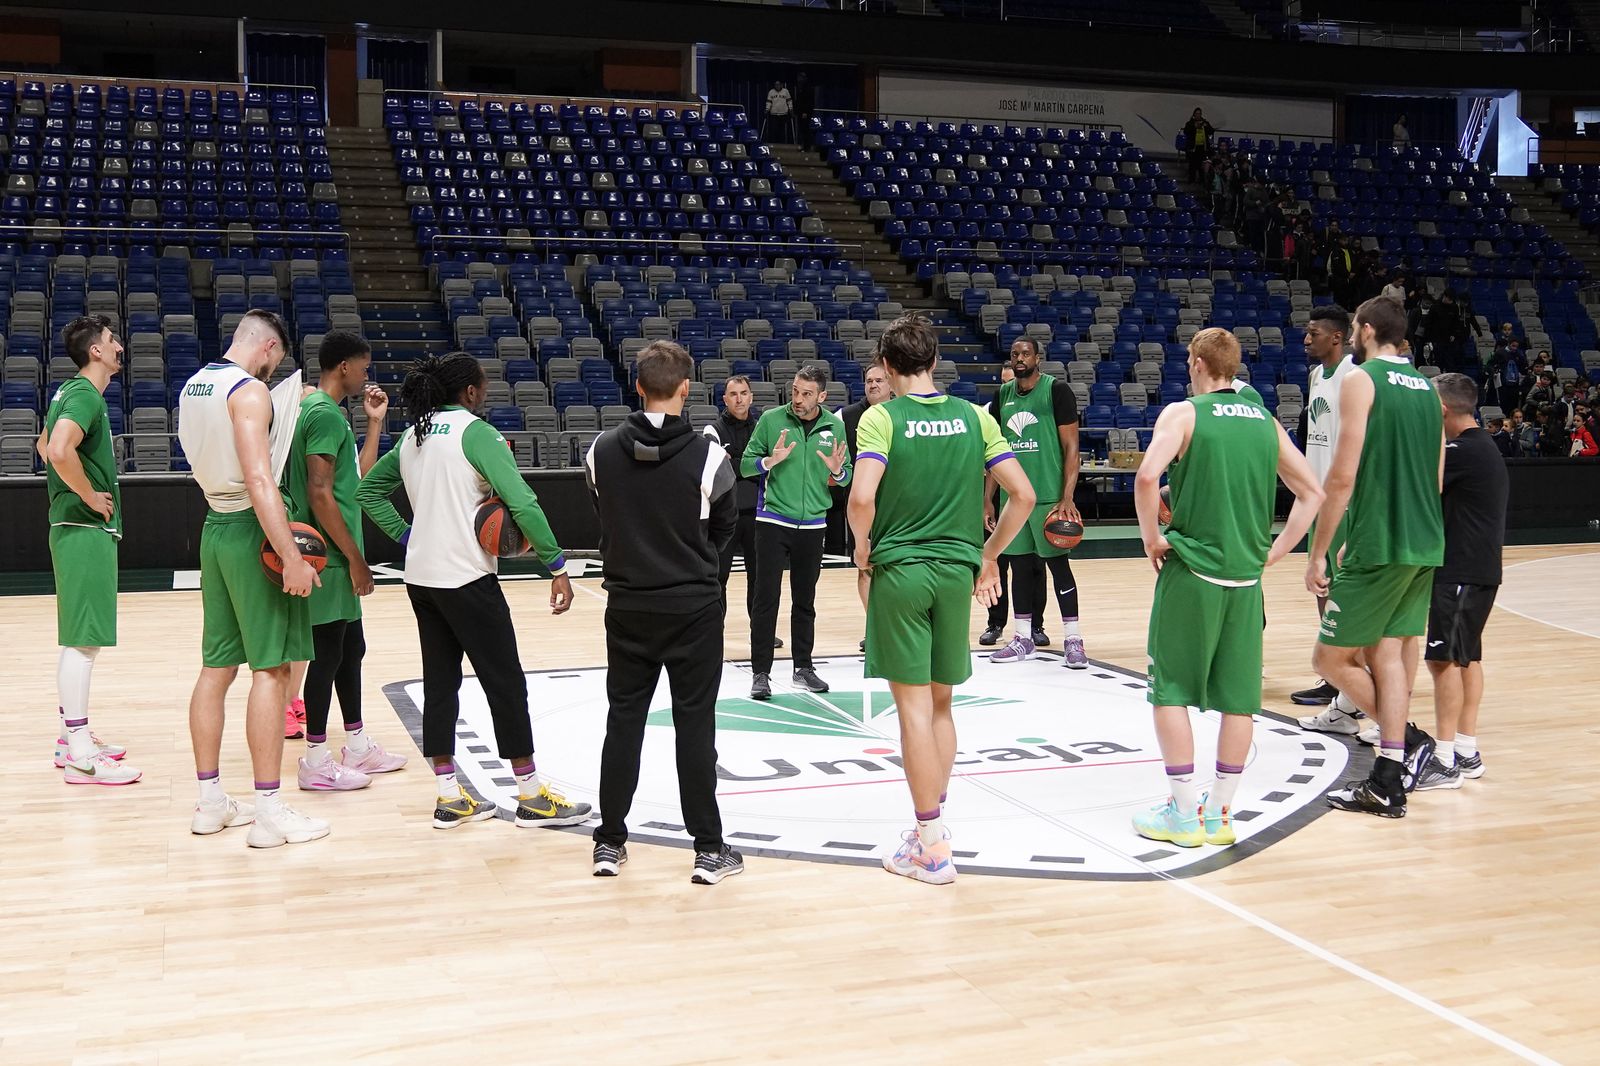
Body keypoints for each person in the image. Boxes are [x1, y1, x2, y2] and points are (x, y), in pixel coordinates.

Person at [356, 352, 591, 832]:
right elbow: (522, 500)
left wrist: (407, 535)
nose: (484, 393)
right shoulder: (476, 433)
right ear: (469, 392)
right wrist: (556, 564)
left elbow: (367, 492)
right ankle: (530, 797)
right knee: (504, 682)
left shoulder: (413, 434)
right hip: (466, 579)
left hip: (421, 579)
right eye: (482, 387)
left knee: (440, 684)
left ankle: (449, 796)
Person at [847, 315, 1035, 885]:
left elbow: (861, 498)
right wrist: (987, 554)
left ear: (886, 365)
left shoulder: (881, 418)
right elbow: (1024, 495)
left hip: (901, 571)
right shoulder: (976, 417)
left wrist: (862, 550)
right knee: (942, 707)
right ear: (933, 361)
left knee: (911, 711)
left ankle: (930, 847)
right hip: (956, 573)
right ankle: (933, 827)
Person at [1133, 329, 1324, 848]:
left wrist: (1152, 538)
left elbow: (1147, 477)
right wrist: (1278, 550)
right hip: (1245, 578)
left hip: (1192, 570)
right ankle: (1218, 814)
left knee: (1169, 691)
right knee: (1240, 702)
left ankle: (1180, 812)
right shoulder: (1265, 420)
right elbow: (1312, 491)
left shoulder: (1184, 413)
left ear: (1196, 363)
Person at [585, 341, 743, 885]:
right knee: (694, 726)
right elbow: (725, 527)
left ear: (636, 386)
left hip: (628, 604)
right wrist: (700, 569)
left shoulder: (599, 450)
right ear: (685, 390)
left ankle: (609, 843)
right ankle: (708, 848)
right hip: (694, 608)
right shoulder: (712, 455)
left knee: (623, 720)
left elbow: (605, 514)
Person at [177, 309, 326, 847]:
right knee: (273, 669)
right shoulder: (249, 392)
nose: (271, 373)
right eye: (275, 362)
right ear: (265, 348)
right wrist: (289, 554)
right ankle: (268, 811)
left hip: (214, 525)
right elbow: (261, 478)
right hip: (249, 529)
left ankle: (210, 803)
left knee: (216, 668)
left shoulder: (194, 385)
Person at [1308, 296, 1445, 819]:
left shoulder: (1360, 381)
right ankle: (1388, 780)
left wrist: (1319, 551)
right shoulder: (1430, 393)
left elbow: (1342, 475)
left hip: (1380, 540)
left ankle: (1407, 742)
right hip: (1425, 538)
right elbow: (1435, 478)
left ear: (1363, 331)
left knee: (1331, 659)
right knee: (1388, 654)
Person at [281, 330, 407, 791]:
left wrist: (374, 423)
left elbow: (357, 482)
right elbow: (319, 492)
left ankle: (355, 746)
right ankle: (315, 758)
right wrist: (355, 558)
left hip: (333, 551)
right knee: (328, 655)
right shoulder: (323, 415)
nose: (366, 375)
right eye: (364, 367)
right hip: (329, 556)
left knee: (351, 649)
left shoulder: (325, 413)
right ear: (344, 368)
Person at [38, 314, 138, 785]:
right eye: (112, 340)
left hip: (71, 527)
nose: (119, 345)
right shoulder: (82, 394)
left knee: (79, 640)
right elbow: (58, 450)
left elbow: (43, 444)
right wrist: (88, 494)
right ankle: (79, 753)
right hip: (82, 527)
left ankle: (68, 738)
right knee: (84, 643)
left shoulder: (68, 393)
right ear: (96, 351)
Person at [1414, 373, 1508, 791]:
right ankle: (1467, 751)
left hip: (1462, 570)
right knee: (1466, 657)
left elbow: (1416, 484)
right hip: (1477, 569)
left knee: (1443, 660)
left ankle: (1446, 758)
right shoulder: (1479, 446)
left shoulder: (1460, 451)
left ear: (1442, 410)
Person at [740, 364, 851, 701]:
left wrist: (837, 471)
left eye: (806, 394)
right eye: (795, 392)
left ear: (822, 396)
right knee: (765, 599)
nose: (799, 400)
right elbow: (746, 465)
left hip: (814, 524)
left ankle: (803, 666)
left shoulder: (835, 426)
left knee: (805, 600)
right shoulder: (772, 420)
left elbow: (846, 476)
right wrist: (768, 462)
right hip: (773, 520)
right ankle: (761, 672)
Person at [985, 337, 1087, 666]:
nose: (1019, 358)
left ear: (1037, 358)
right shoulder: (1002, 395)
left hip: (1048, 499)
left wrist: (1067, 496)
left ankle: (1074, 639)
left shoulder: (1057, 391)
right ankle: (1022, 638)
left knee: (1059, 568)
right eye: (1014, 354)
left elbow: (1072, 448)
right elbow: (995, 453)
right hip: (1013, 499)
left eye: (1025, 353)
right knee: (1019, 569)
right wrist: (988, 498)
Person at [1292, 306, 1359, 713]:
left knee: (1345, 592)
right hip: (1317, 496)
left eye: (1313, 333)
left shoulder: (1354, 375)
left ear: (1337, 336)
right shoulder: (1318, 375)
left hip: (1344, 501)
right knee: (1322, 586)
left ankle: (1349, 677)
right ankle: (1334, 674)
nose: (1306, 339)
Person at [703, 374, 771, 643]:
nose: (739, 398)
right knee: (718, 578)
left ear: (751, 397)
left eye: (744, 393)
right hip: (725, 517)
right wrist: (755, 464)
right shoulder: (712, 430)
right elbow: (719, 471)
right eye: (733, 394)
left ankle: (761, 632)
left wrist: (740, 464)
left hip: (759, 514)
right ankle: (713, 632)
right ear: (725, 399)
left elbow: (768, 467)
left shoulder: (764, 427)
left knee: (760, 579)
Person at [839, 360, 892, 619]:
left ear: (890, 384)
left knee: (895, 566)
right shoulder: (847, 416)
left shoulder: (901, 412)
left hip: (896, 503)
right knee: (865, 567)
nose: (872, 384)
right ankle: (874, 627)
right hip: (863, 503)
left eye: (878, 380)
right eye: (869, 380)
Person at [1183, 108, 1214, 184]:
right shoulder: (1190, 123)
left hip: (1202, 147)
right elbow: (1186, 131)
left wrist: (1206, 126)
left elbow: (1211, 131)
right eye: (1196, 114)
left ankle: (1201, 181)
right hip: (1193, 148)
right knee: (1192, 166)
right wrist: (1194, 127)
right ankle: (1191, 181)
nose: (1198, 115)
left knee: (1201, 166)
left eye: (1199, 114)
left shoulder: (1204, 122)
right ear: (1194, 114)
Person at [764, 80, 793, 144]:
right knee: (774, 130)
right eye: (775, 84)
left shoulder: (786, 91)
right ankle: (774, 143)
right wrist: (767, 109)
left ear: (781, 85)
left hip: (784, 114)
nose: (777, 86)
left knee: (782, 130)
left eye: (778, 84)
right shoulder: (771, 92)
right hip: (774, 114)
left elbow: (789, 101)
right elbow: (769, 102)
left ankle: (782, 143)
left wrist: (790, 108)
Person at [794, 71, 816, 150]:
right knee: (802, 129)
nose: (798, 79)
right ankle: (804, 146)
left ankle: (807, 147)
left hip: (805, 112)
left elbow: (808, 101)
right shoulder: (801, 87)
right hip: (800, 112)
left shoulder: (808, 88)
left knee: (805, 129)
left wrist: (805, 112)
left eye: (800, 78)